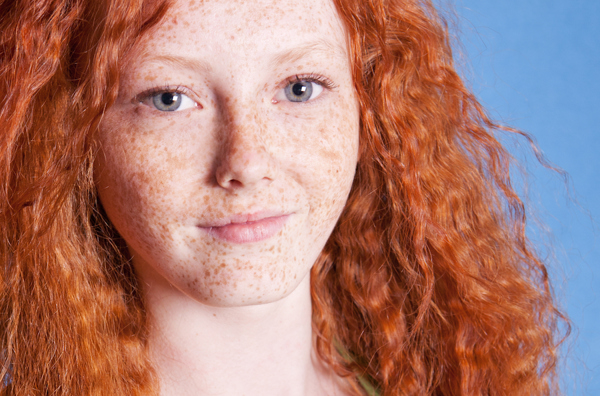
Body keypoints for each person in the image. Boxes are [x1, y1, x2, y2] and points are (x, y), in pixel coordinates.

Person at [0, 0, 568, 394]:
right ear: (70, 136)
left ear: (369, 108)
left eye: (300, 88)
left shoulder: (441, 380)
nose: (246, 163)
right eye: (169, 98)